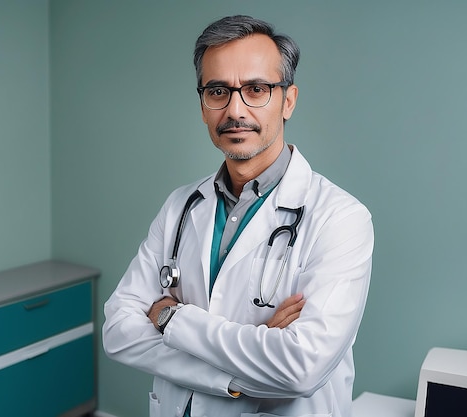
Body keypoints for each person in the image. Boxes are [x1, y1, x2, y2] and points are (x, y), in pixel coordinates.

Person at [102, 14, 374, 417]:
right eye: (217, 91)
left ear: (289, 100)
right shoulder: (180, 206)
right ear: (202, 104)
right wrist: (246, 358)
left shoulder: (341, 219)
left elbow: (301, 368)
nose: (235, 109)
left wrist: (170, 316)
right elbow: (118, 332)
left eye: (256, 89)